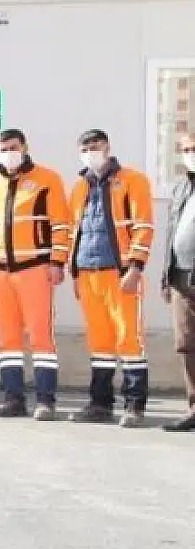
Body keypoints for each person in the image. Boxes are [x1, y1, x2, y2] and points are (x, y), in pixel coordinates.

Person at [0, 128, 70, 421]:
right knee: (7, 338)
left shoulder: (48, 179)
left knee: (41, 335)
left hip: (34, 268)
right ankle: (13, 399)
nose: (8, 153)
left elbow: (60, 225)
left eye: (13, 147)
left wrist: (57, 262)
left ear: (25, 147)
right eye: (3, 149)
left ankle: (45, 401)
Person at [66, 130, 153, 427]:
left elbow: (143, 226)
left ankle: (134, 405)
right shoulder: (79, 187)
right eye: (85, 148)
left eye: (95, 146)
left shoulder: (133, 180)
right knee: (100, 342)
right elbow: (74, 233)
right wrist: (74, 272)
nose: (90, 152)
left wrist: (136, 267)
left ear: (108, 147)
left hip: (121, 273)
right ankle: (100, 404)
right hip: (88, 273)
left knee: (129, 339)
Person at [161, 133, 195, 432]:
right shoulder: (181, 187)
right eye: (186, 150)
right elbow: (171, 234)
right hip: (182, 277)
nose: (190, 154)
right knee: (186, 344)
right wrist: (166, 276)